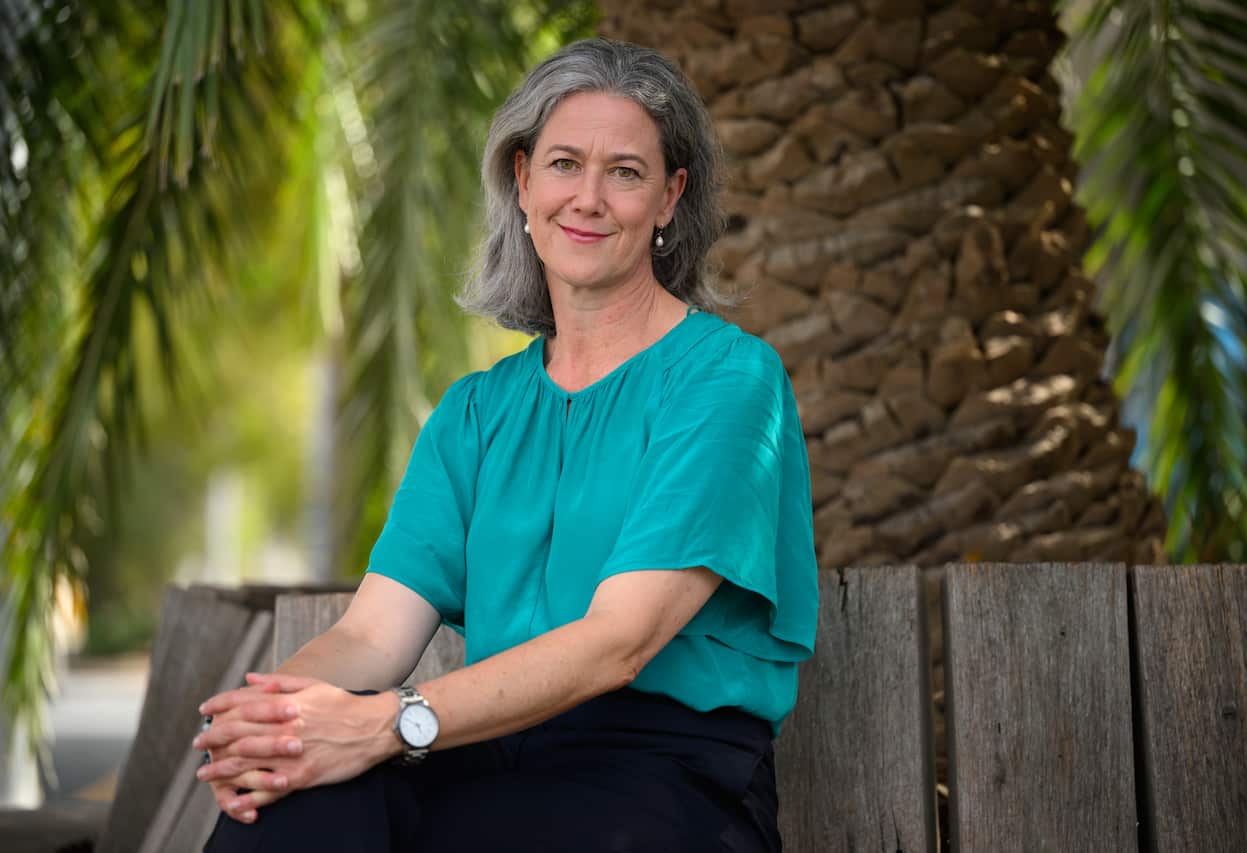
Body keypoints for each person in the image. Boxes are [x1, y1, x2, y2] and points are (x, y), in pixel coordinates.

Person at [194, 37, 819, 852]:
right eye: (564, 164)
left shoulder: (726, 380)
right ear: (522, 182)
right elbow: (371, 636)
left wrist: (388, 723)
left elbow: (618, 643)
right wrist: (274, 724)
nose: (588, 198)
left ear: (670, 197)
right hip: (482, 751)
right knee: (291, 805)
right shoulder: (475, 413)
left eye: (625, 172)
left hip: (662, 779)